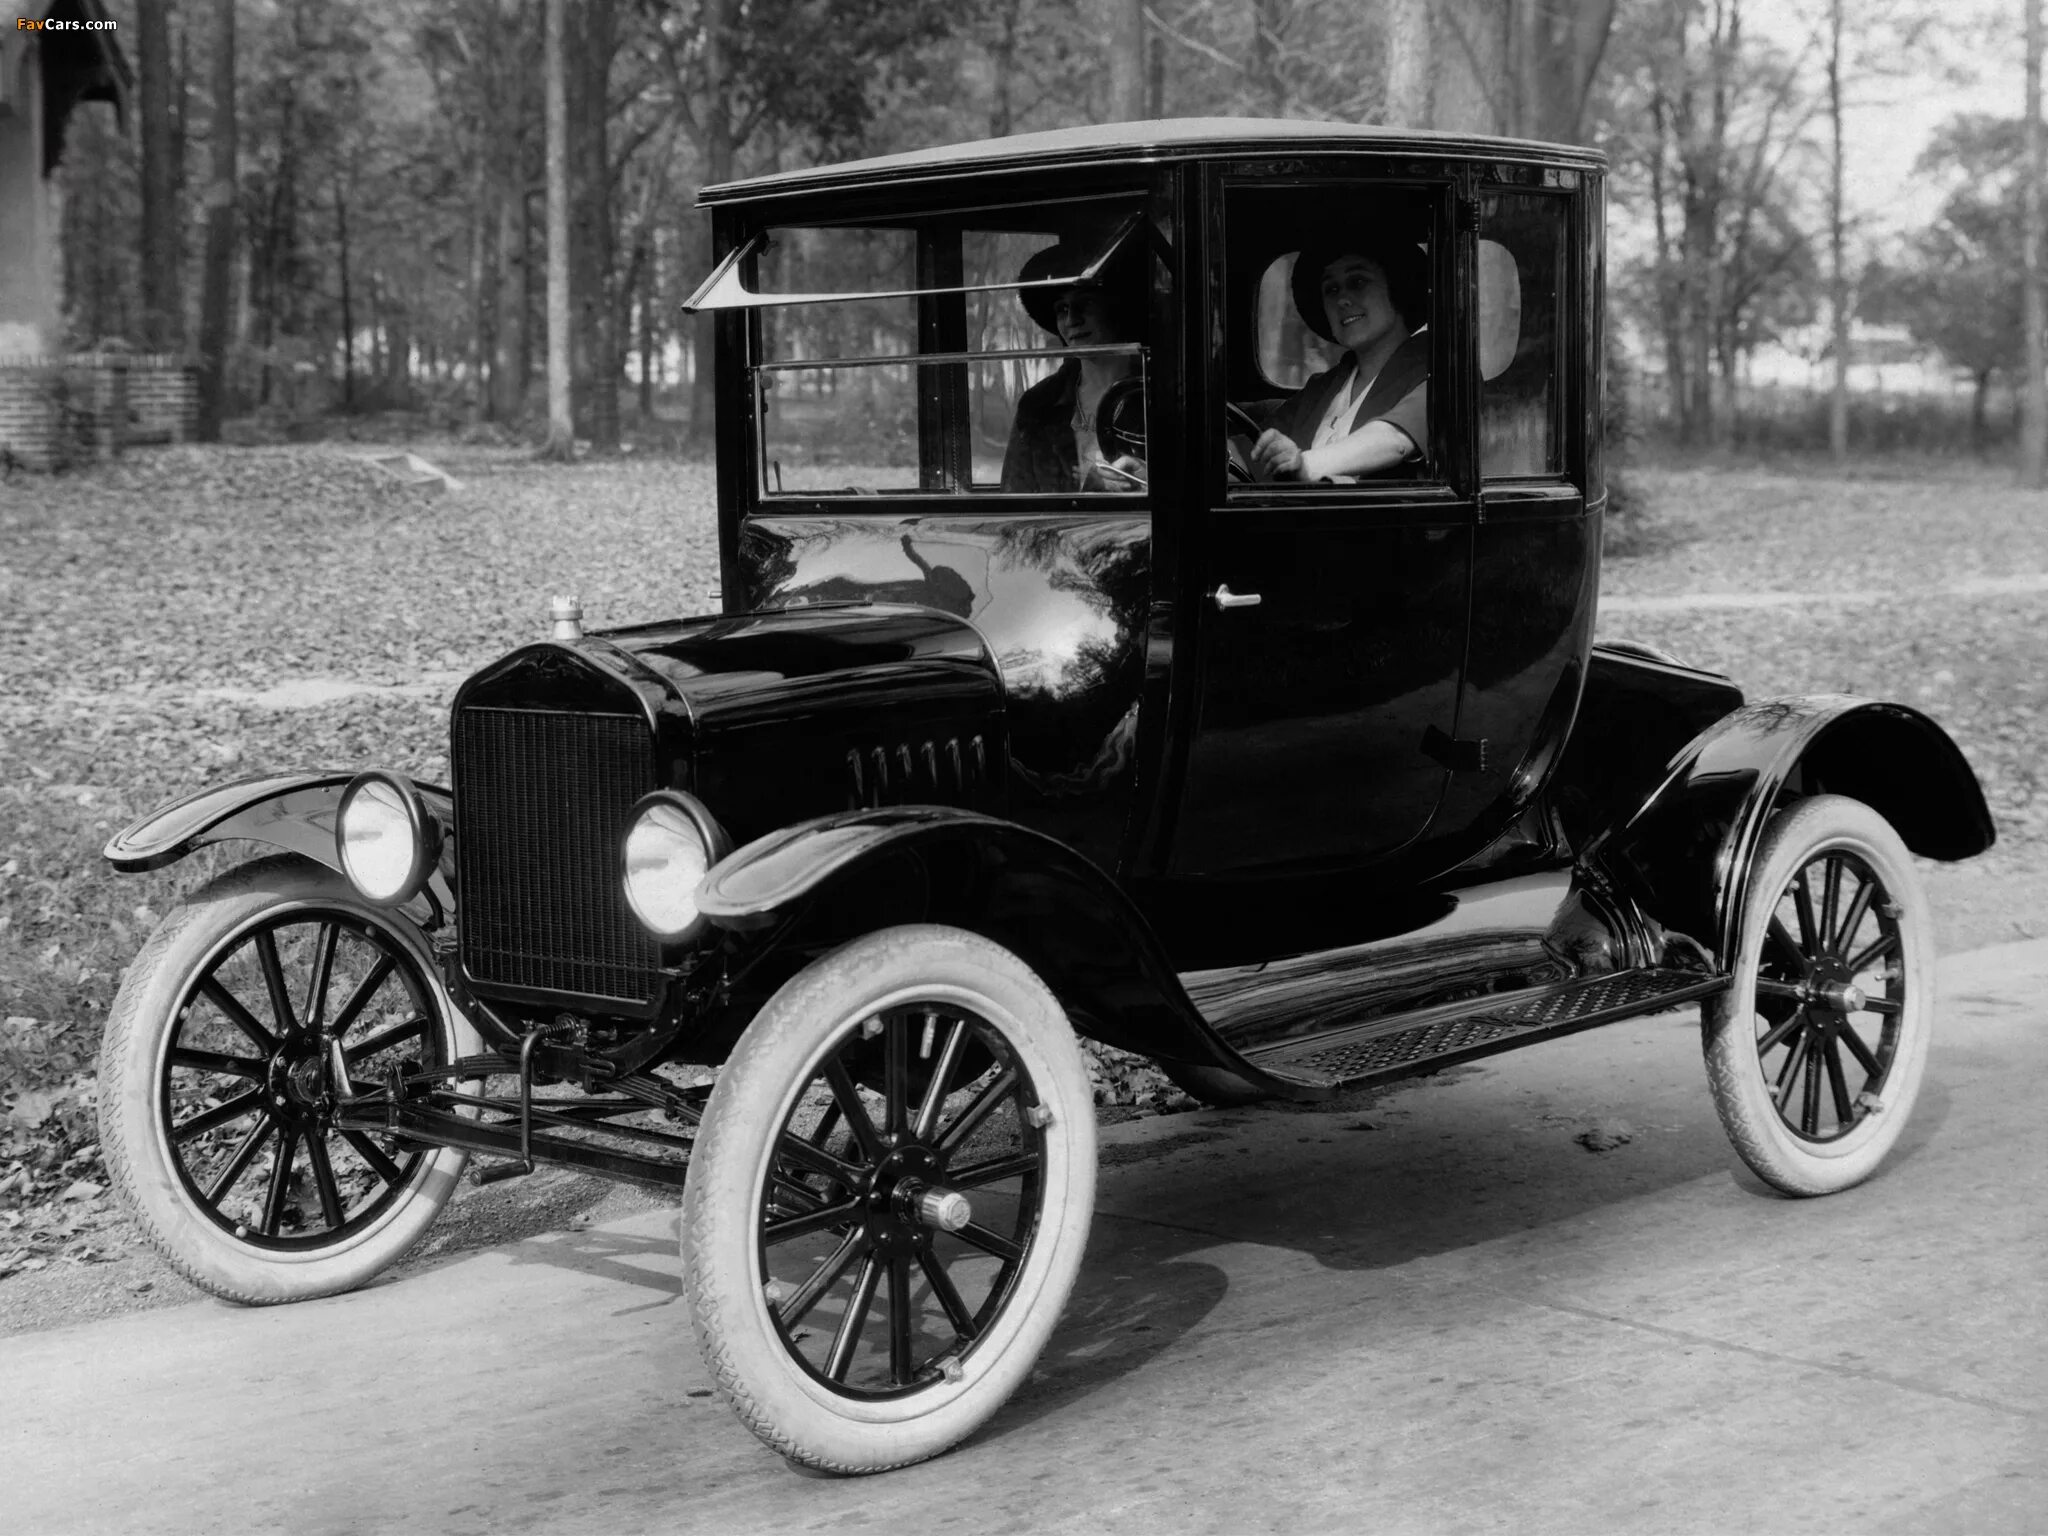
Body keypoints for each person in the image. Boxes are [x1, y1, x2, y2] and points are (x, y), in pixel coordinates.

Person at [1248, 234, 1430, 483]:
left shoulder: (1441, 371)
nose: (1342, 299)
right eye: (1331, 289)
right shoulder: (1321, 389)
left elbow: (1395, 439)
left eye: (1357, 282)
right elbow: (1254, 447)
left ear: (1397, 287)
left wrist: (1305, 464)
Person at [1000, 239, 1146, 492]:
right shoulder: (1039, 405)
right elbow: (1016, 497)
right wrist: (1091, 486)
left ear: (1115, 308)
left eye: (1085, 304)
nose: (1071, 320)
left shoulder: (1163, 392)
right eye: (1061, 309)